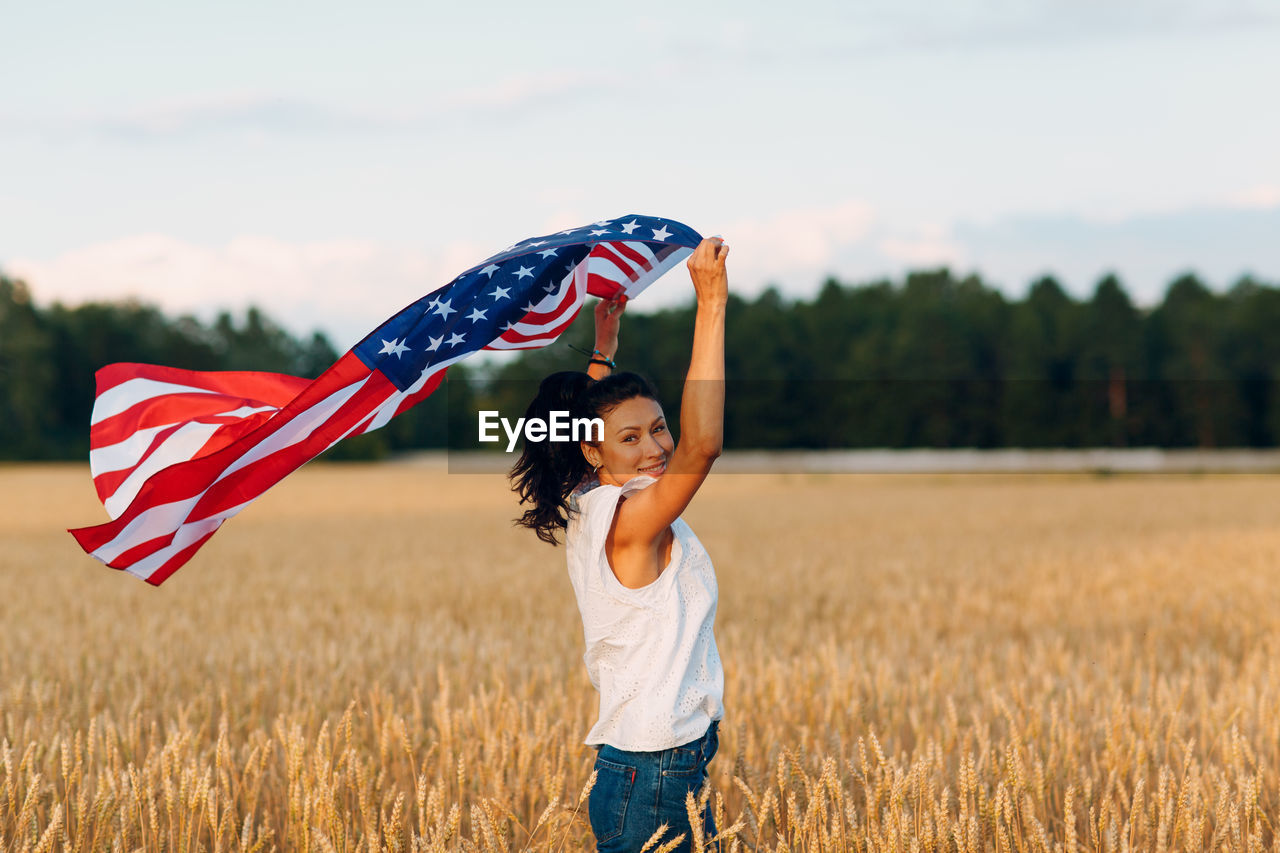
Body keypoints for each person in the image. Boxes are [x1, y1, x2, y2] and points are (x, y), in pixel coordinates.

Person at [509, 236, 730, 853]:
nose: (655, 447)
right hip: (654, 773)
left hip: (650, 765)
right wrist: (710, 303)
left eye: (658, 427)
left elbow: (587, 432)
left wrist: (603, 352)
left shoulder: (589, 498)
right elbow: (702, 448)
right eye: (630, 438)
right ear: (594, 450)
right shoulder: (633, 518)